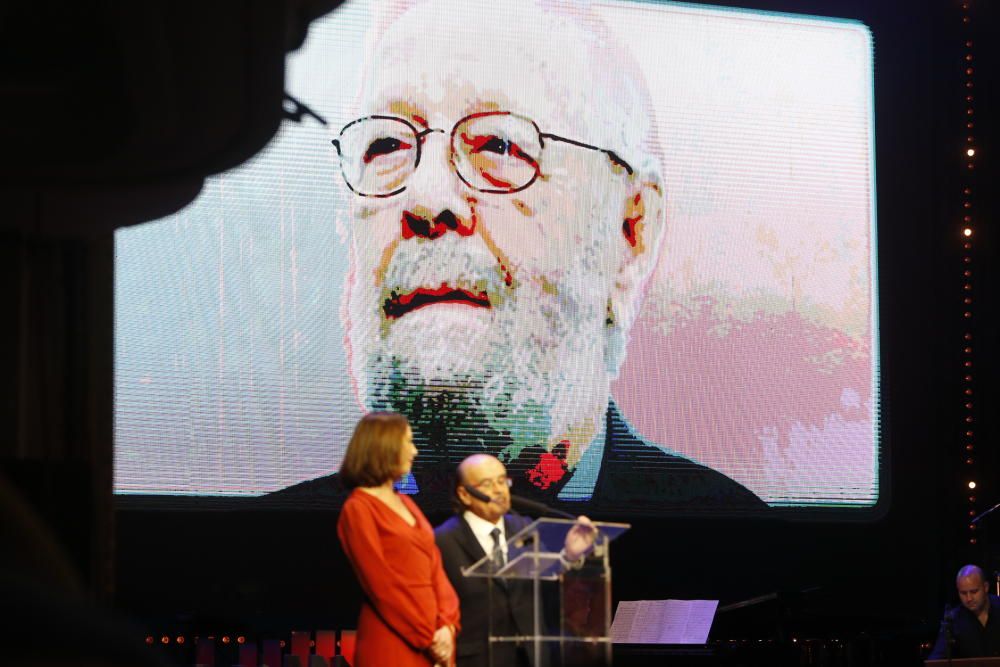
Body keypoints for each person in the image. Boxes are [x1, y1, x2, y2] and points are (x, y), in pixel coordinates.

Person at [273, 0, 764, 512]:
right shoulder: (259, 556)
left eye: (500, 146)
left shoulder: (739, 546)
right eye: (387, 147)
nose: (426, 198)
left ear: (631, 232)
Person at [434, 454, 595, 667]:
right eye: (487, 484)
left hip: (530, 657)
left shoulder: (523, 528)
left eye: (502, 481)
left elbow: (546, 580)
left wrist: (569, 556)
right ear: (464, 494)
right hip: (477, 659)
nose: (499, 490)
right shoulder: (442, 540)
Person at [336, 412, 461, 666]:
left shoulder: (406, 503)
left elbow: (435, 569)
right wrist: (429, 636)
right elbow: (382, 584)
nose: (414, 452)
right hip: (396, 639)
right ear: (385, 447)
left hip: (435, 639)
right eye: (408, 442)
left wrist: (448, 624)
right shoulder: (359, 508)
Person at [929, 564, 1000, 659]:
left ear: (986, 587)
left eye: (974, 592)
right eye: (963, 593)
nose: (969, 598)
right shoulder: (953, 620)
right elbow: (936, 660)